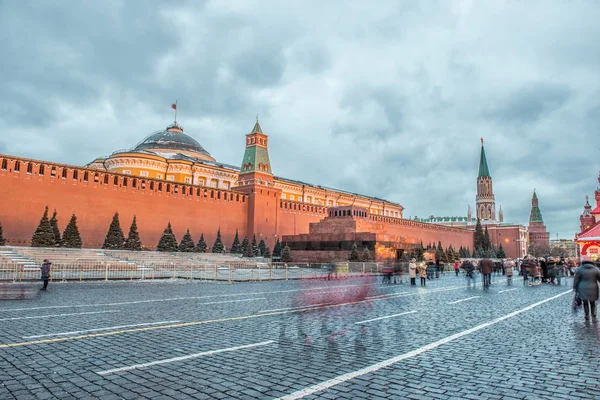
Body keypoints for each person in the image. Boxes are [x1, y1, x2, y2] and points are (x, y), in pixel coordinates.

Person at [573, 256, 600, 322]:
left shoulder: (579, 269)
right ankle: (594, 316)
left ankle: (587, 316)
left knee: (585, 302)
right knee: (593, 303)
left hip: (582, 287)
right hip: (593, 287)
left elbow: (576, 280)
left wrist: (575, 287)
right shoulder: (595, 269)